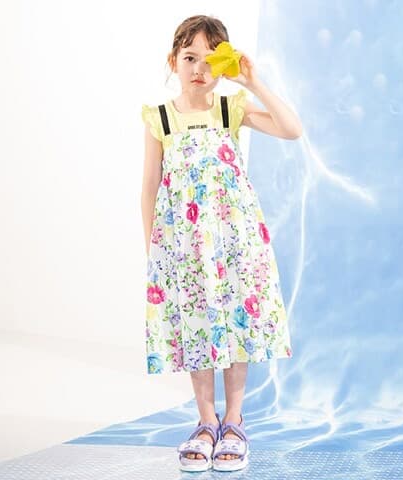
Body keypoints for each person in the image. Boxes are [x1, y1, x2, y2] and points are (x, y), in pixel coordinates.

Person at [140, 14, 303, 472]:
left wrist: (252, 81)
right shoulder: (161, 118)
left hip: (236, 242)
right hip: (185, 249)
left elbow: (292, 129)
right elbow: (149, 188)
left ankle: (234, 421)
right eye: (190, 58)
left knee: (236, 327)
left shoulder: (232, 108)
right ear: (173, 61)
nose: (199, 69)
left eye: (212, 60)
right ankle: (206, 421)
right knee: (197, 328)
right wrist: (153, 253)